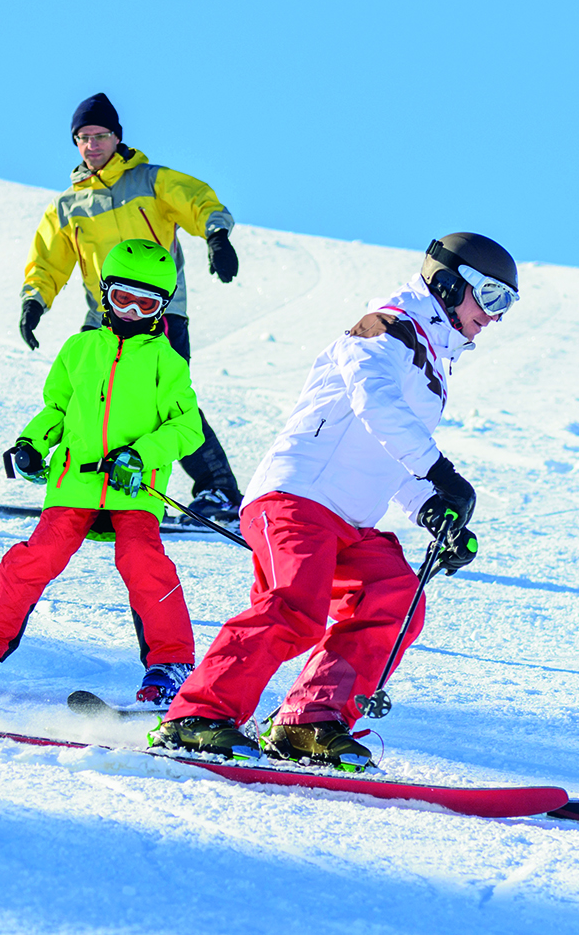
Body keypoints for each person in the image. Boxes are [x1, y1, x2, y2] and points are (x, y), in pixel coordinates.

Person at [150, 232, 520, 768]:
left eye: (505, 304)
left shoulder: (434, 364)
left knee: (395, 597)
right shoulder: (385, 328)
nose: (495, 316)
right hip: (297, 498)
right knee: (296, 608)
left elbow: (385, 449)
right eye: (489, 298)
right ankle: (196, 715)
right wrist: (444, 475)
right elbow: (376, 406)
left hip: (349, 517)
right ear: (448, 282)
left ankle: (311, 721)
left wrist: (430, 508)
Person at [0, 239, 208, 706]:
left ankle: (170, 664)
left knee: (145, 564)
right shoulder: (79, 349)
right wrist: (32, 443)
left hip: (133, 488)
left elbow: (186, 428)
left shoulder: (166, 361)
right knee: (36, 558)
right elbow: (57, 407)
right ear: (104, 293)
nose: (132, 311)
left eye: (146, 303)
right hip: (74, 482)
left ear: (162, 308)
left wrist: (141, 454)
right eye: (122, 299)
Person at [18, 91, 244, 523]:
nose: (92, 145)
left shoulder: (150, 181)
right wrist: (34, 302)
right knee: (84, 398)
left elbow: (199, 201)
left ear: (117, 137)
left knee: (168, 402)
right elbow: (47, 261)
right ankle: (84, 485)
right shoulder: (68, 207)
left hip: (160, 312)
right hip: (102, 316)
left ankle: (218, 491)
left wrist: (217, 236)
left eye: (100, 135)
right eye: (83, 137)